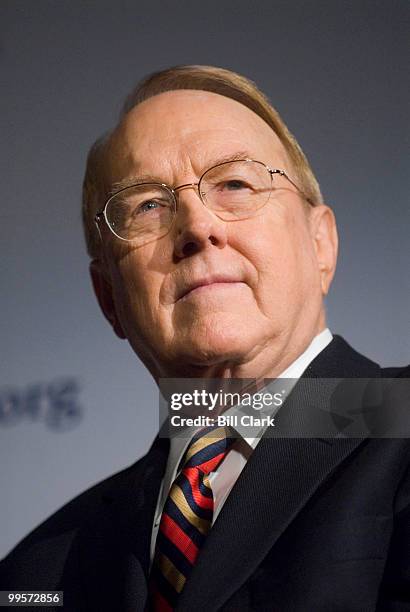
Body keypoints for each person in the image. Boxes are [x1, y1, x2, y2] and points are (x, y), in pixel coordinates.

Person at [1, 65, 409, 611]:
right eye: (148, 206)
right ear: (108, 299)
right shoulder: (36, 572)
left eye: (235, 184)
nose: (196, 227)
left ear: (321, 245)